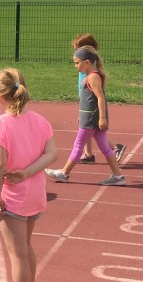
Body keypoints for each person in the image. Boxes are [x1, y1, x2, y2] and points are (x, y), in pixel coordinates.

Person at [0, 68, 57, 282]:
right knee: (25, 247)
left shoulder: (0, 124)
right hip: (35, 194)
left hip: (13, 197)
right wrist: (28, 172)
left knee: (17, 255)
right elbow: (52, 154)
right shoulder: (40, 120)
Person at [45, 46, 126, 186]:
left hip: (91, 120)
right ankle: (118, 176)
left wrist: (102, 117)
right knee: (105, 148)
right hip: (89, 117)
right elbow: (88, 101)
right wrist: (82, 115)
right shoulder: (89, 77)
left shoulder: (93, 77)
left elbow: (100, 98)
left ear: (87, 62)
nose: (75, 66)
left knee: (78, 144)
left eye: (77, 63)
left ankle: (64, 173)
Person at [72, 34, 124, 164]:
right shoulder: (85, 68)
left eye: (78, 49)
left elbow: (98, 96)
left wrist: (101, 117)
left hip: (89, 103)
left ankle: (114, 148)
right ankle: (89, 154)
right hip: (85, 103)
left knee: (90, 130)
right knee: (89, 129)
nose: (76, 52)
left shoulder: (90, 72)